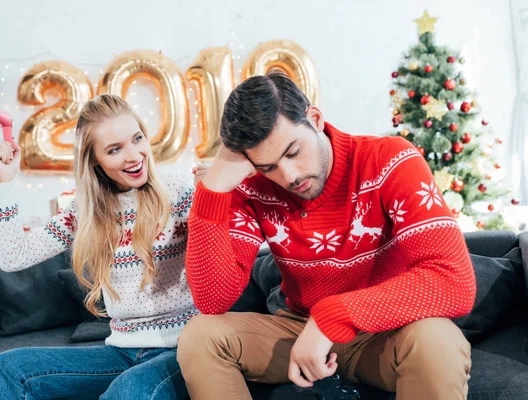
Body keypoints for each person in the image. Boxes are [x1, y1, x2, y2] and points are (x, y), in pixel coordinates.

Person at [178, 72, 476, 400]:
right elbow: (212, 300)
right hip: (298, 332)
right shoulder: (252, 186)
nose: (288, 176)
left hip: (387, 333)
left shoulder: (390, 159)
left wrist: (331, 317)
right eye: (268, 167)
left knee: (437, 340)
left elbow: (454, 282)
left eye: (293, 151)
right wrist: (213, 190)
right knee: (200, 336)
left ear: (315, 119)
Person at [0, 94, 197, 400]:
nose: (134, 155)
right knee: (7, 368)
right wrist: (6, 183)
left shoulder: (180, 191)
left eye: (137, 139)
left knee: (128, 391)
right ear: (95, 159)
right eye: (115, 150)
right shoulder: (84, 210)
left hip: (183, 348)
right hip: (121, 352)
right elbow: (13, 257)